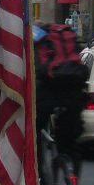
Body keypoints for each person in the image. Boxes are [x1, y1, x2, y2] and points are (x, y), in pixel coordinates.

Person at [32, 23, 87, 174]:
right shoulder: (68, 35)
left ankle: (40, 178)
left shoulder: (36, 38)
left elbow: (33, 69)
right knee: (70, 144)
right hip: (73, 91)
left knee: (32, 132)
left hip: (49, 90)